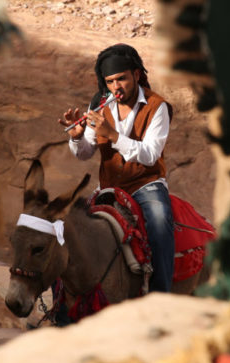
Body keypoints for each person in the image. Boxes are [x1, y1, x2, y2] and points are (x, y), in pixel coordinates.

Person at [58, 43, 174, 292]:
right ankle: (62, 308)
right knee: (68, 229)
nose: (116, 87)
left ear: (136, 74)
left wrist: (112, 134)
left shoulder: (158, 107)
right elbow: (85, 153)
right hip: (108, 186)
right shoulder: (99, 104)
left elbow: (151, 155)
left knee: (160, 222)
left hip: (146, 185)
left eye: (121, 79)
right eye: (110, 81)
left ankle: (159, 295)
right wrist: (77, 137)